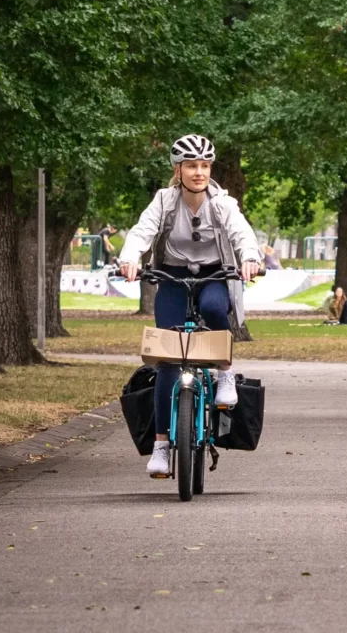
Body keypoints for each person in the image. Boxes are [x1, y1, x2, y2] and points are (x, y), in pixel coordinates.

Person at [118, 134, 261, 478]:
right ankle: (162, 446)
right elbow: (142, 231)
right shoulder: (165, 201)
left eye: (205, 165)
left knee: (214, 309)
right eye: (192, 166)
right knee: (167, 358)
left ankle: (224, 374)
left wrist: (251, 258)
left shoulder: (221, 203)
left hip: (214, 273)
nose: (199, 172)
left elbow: (241, 232)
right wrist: (129, 258)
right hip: (172, 276)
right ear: (178, 169)